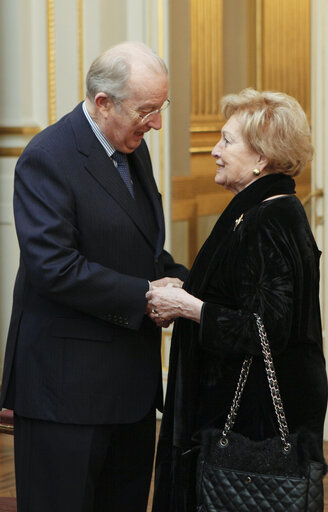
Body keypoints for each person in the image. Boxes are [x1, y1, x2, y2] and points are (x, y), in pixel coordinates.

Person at [0, 41, 188, 512]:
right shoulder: (48, 157)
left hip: (130, 391)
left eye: (161, 107)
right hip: (66, 395)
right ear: (103, 103)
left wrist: (183, 283)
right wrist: (147, 296)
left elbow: (136, 246)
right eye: (147, 110)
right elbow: (54, 267)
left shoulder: (131, 146)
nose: (157, 124)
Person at [147, 88, 328, 511]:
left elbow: (264, 329)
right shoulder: (260, 209)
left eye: (227, 141)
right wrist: (185, 291)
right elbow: (235, 293)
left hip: (253, 421)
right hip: (243, 409)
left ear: (261, 158)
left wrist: (186, 307)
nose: (213, 150)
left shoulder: (269, 218)